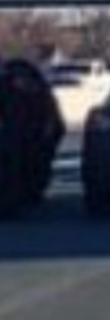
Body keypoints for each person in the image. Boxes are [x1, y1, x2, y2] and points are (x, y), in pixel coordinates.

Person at [0, 58, 65, 215]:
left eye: (22, 78)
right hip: (15, 136)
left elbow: (52, 119)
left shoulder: (39, 92)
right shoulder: (7, 88)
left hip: (31, 136)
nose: (20, 81)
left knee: (32, 167)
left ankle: (22, 197)